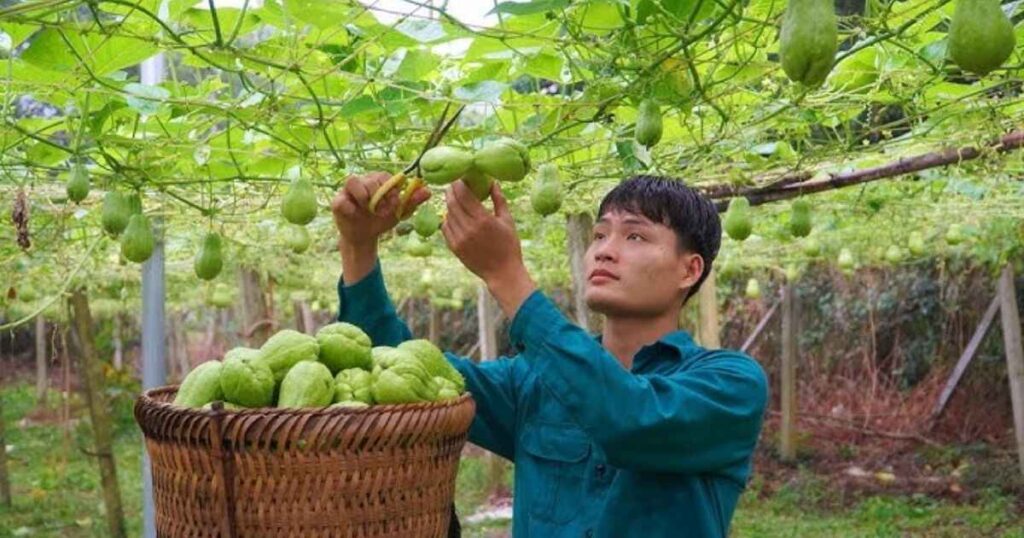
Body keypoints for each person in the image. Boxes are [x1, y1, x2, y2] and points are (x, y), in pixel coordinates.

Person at [331, 172, 768, 537]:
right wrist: (358, 248)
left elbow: (631, 421)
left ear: (689, 270)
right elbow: (397, 370)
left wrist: (507, 276)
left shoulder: (730, 384)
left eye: (634, 235)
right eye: (599, 234)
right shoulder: (529, 383)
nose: (604, 249)